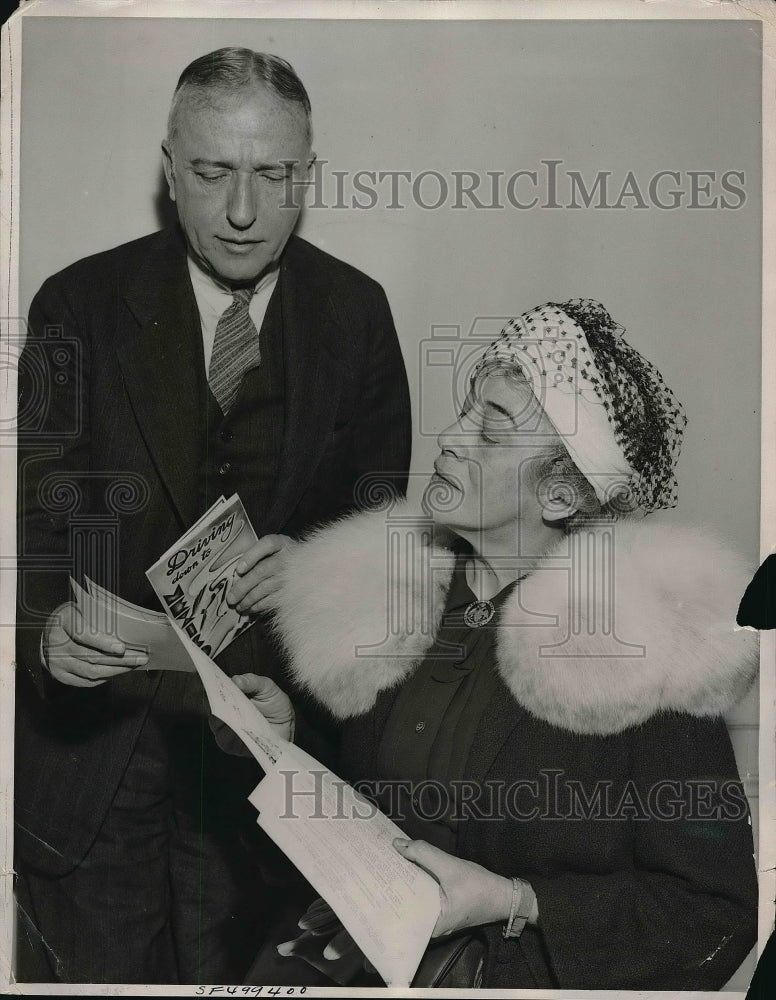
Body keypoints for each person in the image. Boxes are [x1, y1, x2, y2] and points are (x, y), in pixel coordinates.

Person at [14, 47, 411, 984]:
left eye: (273, 176)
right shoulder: (75, 304)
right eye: (211, 173)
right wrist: (49, 633)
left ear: (307, 174)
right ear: (168, 170)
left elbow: (387, 534)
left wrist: (313, 567)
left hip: (267, 770)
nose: (242, 211)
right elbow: (38, 528)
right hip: (96, 766)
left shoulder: (358, 314)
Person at [236, 299, 759, 989]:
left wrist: (516, 902)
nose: (450, 438)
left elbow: (712, 914)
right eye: (464, 412)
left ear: (564, 494)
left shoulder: (643, 653)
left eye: (492, 430)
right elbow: (372, 797)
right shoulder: (395, 603)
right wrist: (287, 738)